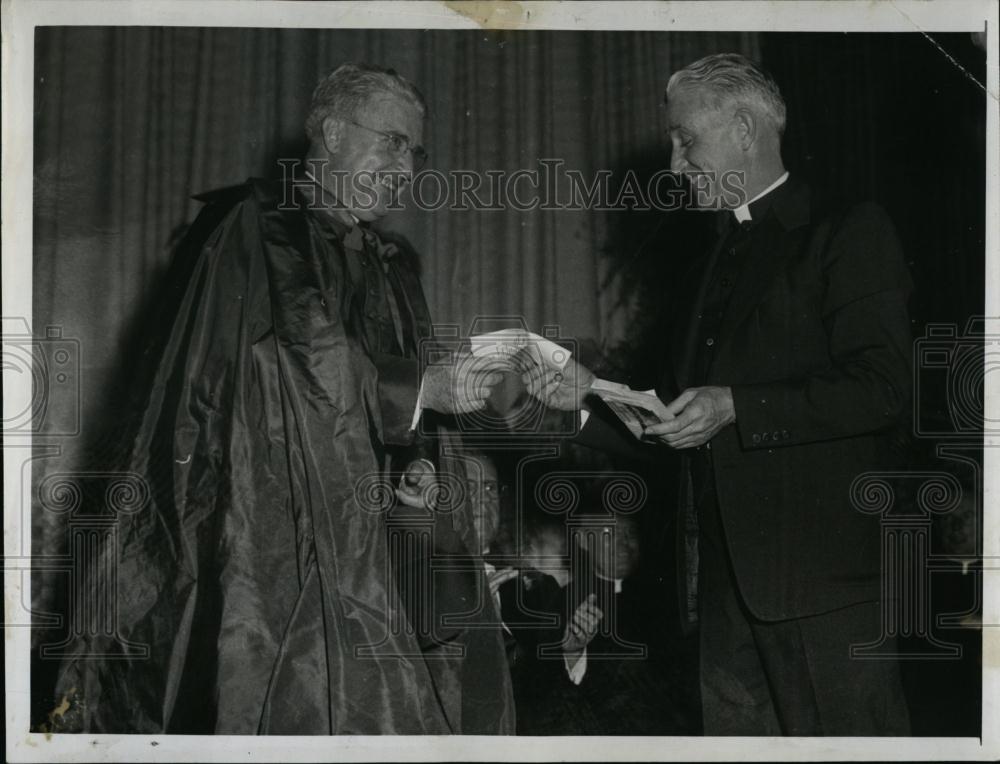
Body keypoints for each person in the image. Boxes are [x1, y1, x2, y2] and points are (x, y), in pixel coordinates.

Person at [52, 62, 512, 735]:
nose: (406, 165)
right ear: (330, 132)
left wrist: (414, 456)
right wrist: (415, 390)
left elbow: (383, 399)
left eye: (416, 151)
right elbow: (264, 378)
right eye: (390, 142)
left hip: (370, 544)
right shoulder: (250, 231)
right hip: (265, 543)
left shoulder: (389, 262)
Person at [527, 53, 913, 735]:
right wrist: (584, 399)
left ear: (742, 128)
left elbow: (884, 387)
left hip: (823, 596)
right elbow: (678, 427)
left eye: (686, 139)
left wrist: (736, 404)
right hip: (718, 602)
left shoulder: (847, 230)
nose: (675, 164)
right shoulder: (707, 262)